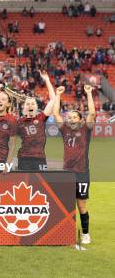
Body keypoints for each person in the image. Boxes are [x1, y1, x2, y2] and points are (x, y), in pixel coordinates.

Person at [53, 85, 95, 244]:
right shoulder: (64, 129)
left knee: (81, 204)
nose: (70, 119)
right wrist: (58, 95)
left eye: (74, 117)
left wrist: (89, 93)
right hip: (67, 173)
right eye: (69, 117)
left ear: (80, 120)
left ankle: (85, 233)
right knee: (64, 204)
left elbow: (92, 112)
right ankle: (64, 233)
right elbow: (56, 113)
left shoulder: (86, 129)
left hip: (82, 173)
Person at [13, 71, 55, 171]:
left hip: (40, 158)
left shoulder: (41, 118)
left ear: (36, 107)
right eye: (28, 104)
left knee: (41, 185)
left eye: (32, 103)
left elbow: (53, 100)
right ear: (24, 108)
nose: (30, 105)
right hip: (24, 158)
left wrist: (47, 80)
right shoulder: (19, 122)